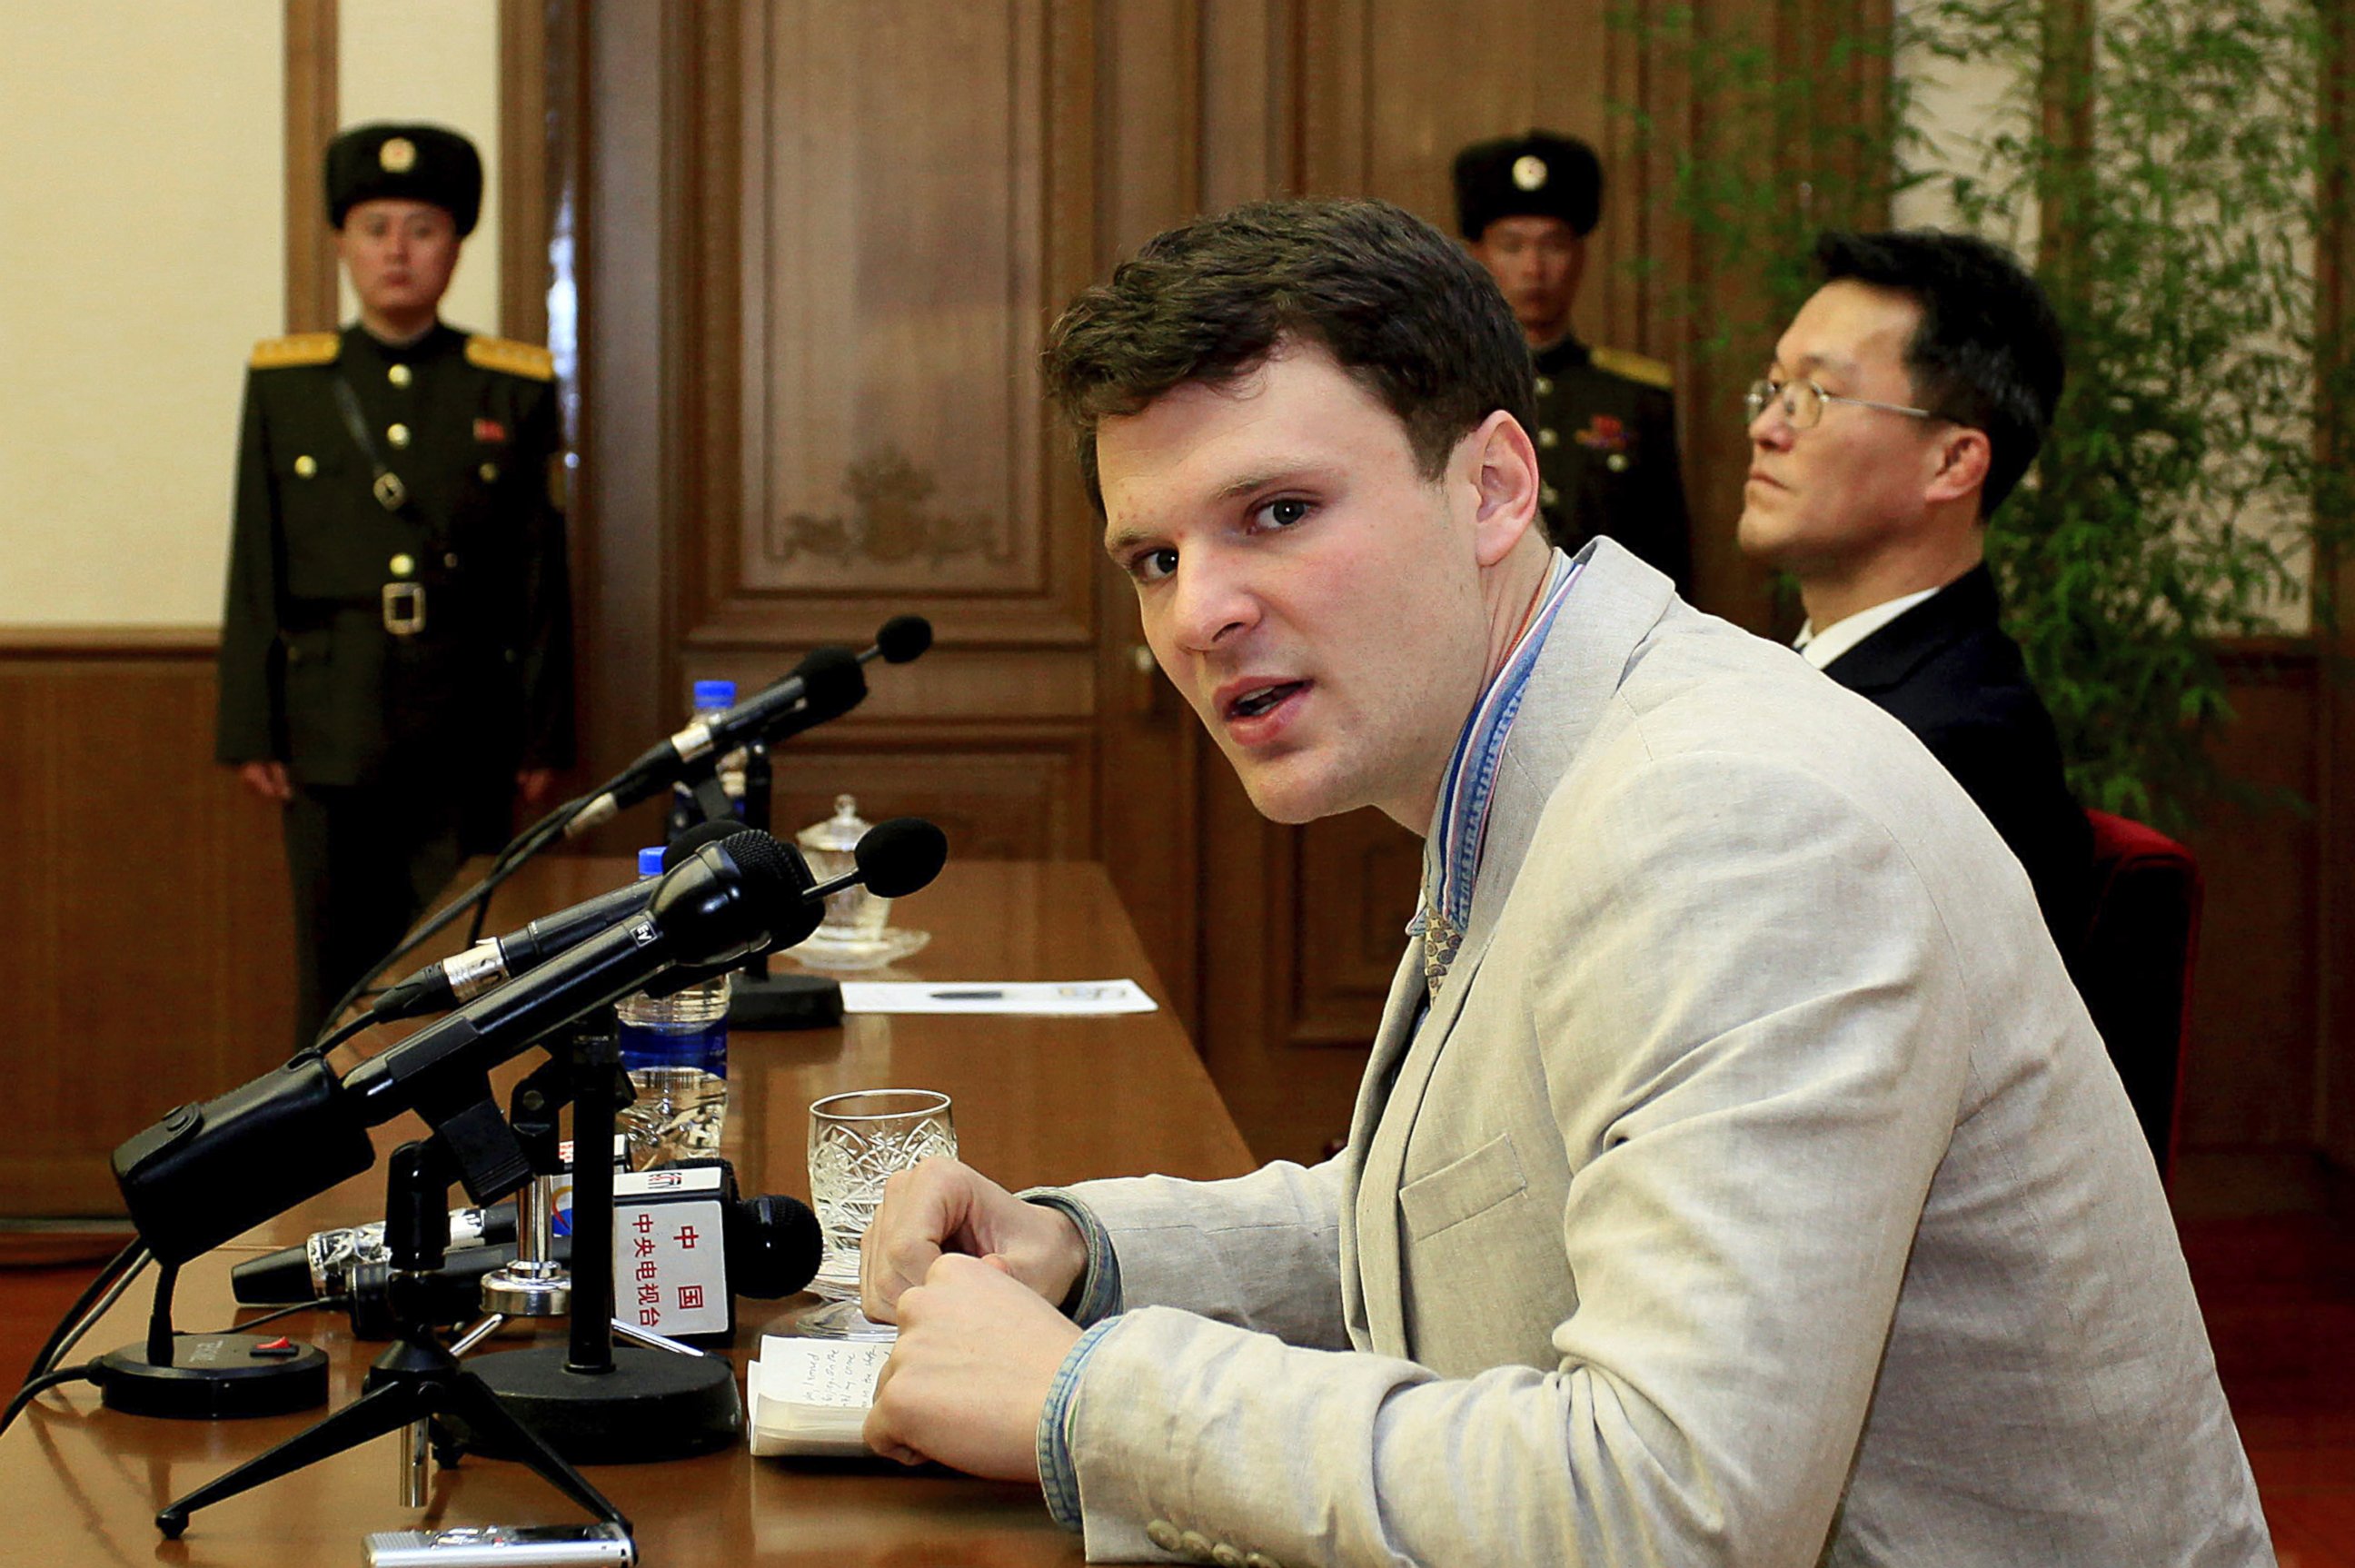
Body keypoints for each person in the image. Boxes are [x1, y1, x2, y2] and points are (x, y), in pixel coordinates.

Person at [849, 197, 2269, 1566]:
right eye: (1154, 556)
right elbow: (1457, 1210)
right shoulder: (1547, 742)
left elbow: (1670, 1510)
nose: (1199, 611)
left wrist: (1087, 1396)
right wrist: (1086, 1253)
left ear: (1493, 487)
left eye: (1277, 510)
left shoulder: (1726, 816)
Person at [214, 123, 575, 1045]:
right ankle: (324, 1183)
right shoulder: (289, 384)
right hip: (328, 723)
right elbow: (256, 558)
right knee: (333, 979)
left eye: (422, 228)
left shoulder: (511, 386)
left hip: (469, 724)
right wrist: (252, 723)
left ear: (456, 246)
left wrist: (544, 728)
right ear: (342, 242)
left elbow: (541, 572)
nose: (398, 251)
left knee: (468, 972)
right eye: (376, 227)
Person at [1738, 229, 2092, 959]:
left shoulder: (1955, 744)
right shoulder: (1792, 680)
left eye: (1816, 395)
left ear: (1954, 460)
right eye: (1774, 388)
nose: (1767, 427)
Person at [1454, 130, 1694, 593]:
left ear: (1581, 255)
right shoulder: (1444, 390)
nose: (1534, 268)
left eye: (1553, 245)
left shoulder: (1635, 396)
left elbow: (1668, 564)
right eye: (1511, 245)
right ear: (1477, 254)